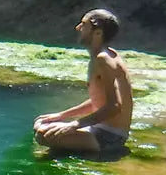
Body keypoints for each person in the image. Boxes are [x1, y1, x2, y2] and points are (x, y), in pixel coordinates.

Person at [33, 9, 133, 154]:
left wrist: (74, 124)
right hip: (100, 129)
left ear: (97, 32)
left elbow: (114, 106)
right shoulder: (104, 55)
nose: (78, 28)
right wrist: (62, 115)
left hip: (111, 136)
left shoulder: (103, 60)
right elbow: (98, 101)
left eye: (84, 24)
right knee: (42, 123)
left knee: (43, 135)